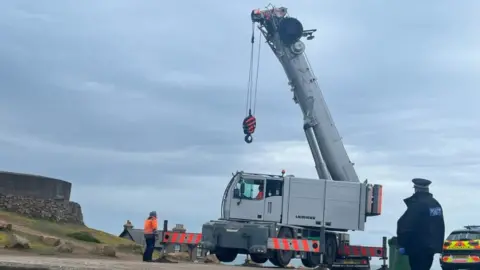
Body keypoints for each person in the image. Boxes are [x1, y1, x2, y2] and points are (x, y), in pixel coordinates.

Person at [396, 178, 445, 270]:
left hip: (417, 248)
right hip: (430, 248)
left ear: (416, 189)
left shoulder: (417, 204)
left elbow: (405, 225)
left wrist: (402, 244)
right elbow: (439, 226)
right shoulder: (435, 204)